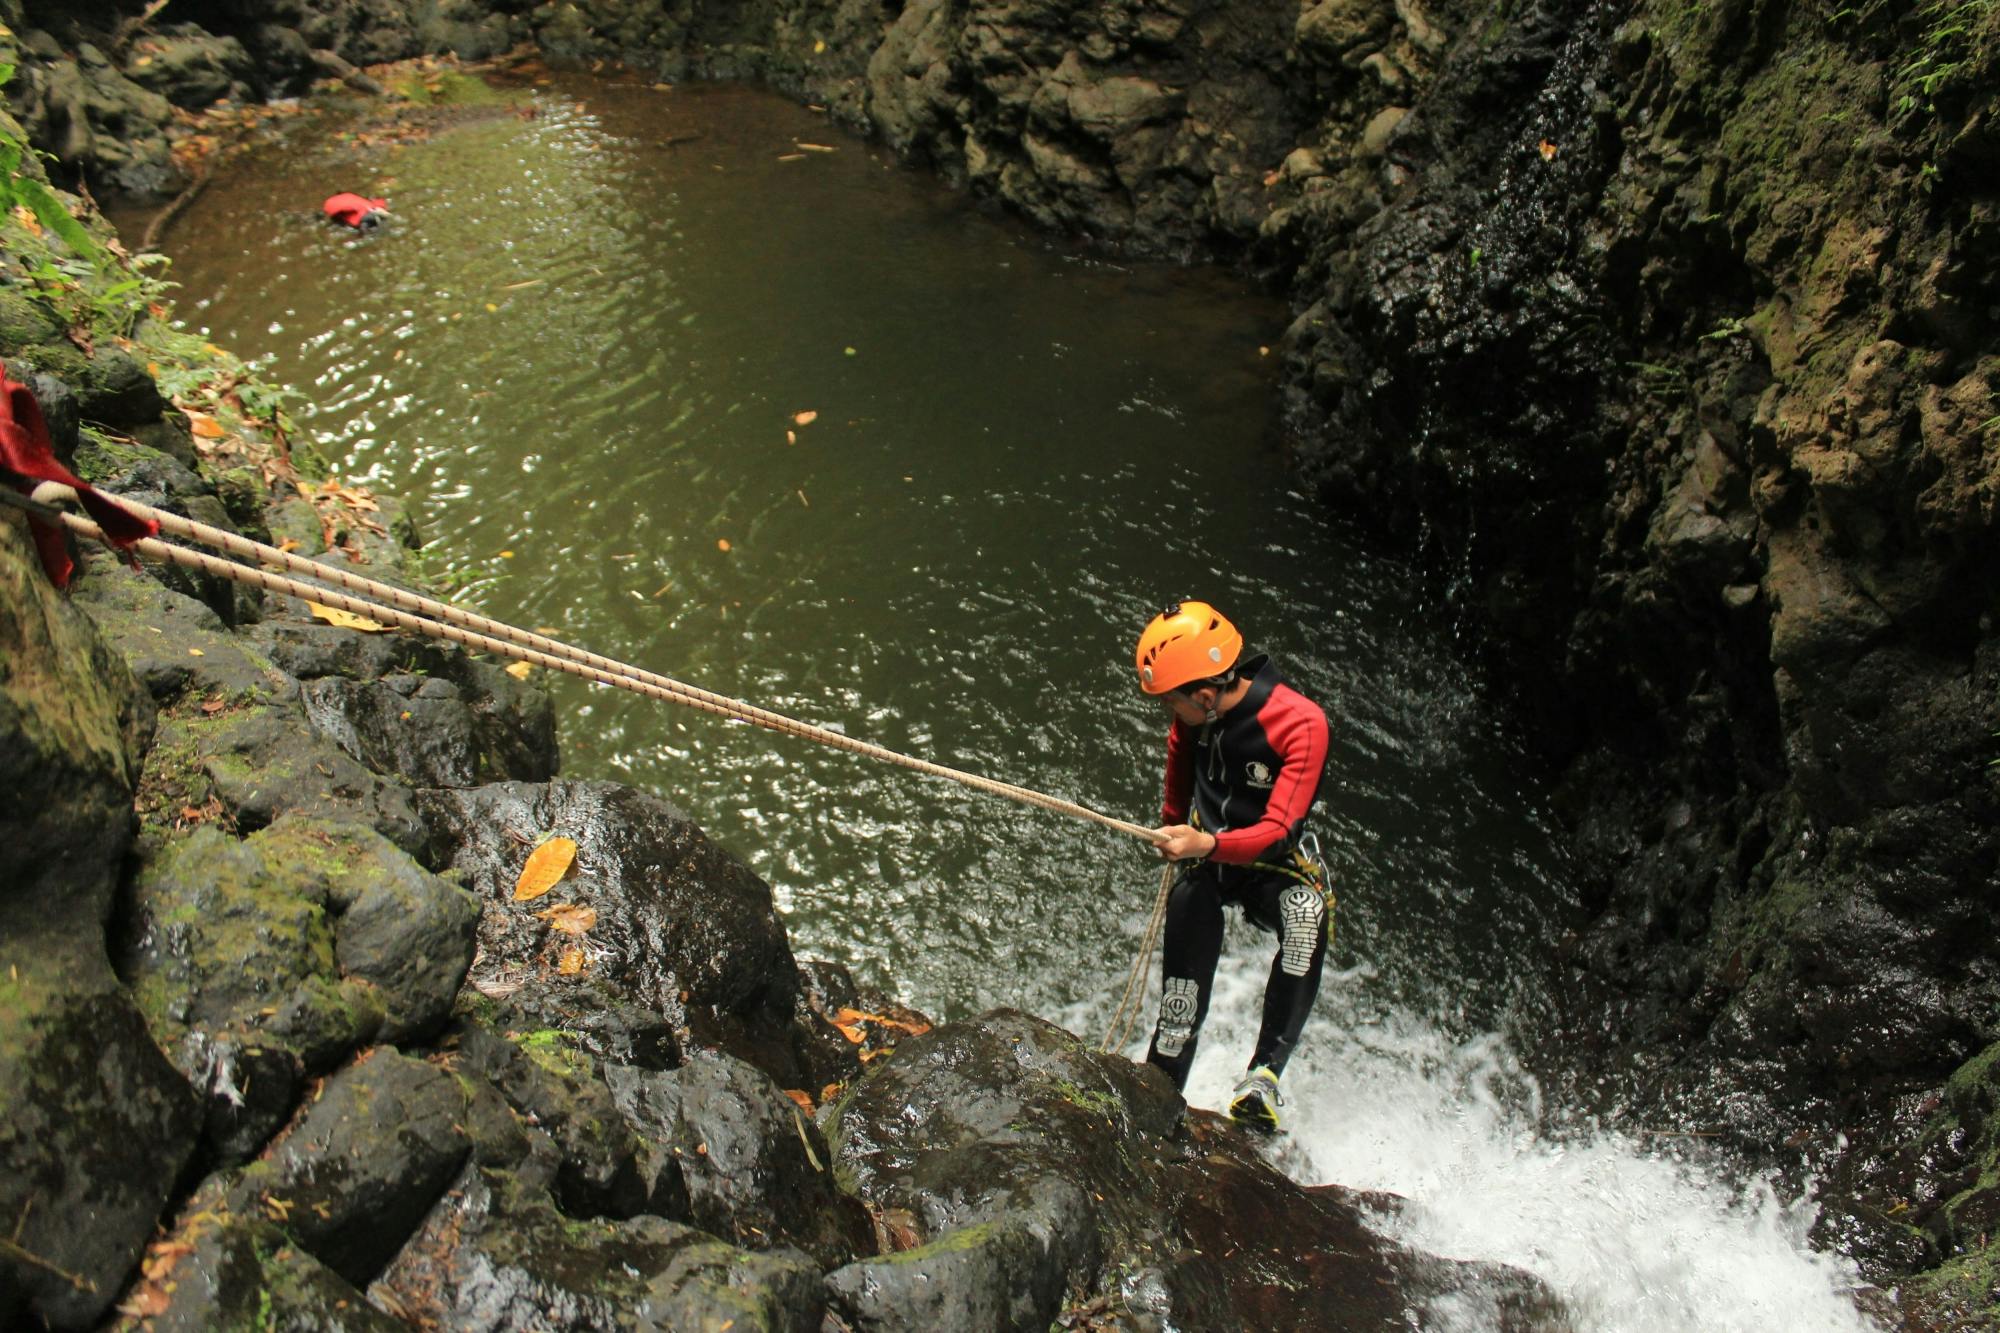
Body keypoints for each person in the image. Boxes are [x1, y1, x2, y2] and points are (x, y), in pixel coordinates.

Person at [1135, 600, 1331, 1132]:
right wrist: (1170, 823)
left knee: (1306, 914)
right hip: (1210, 851)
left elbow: (1276, 832)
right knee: (1189, 903)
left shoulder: (1301, 725)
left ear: (1205, 694)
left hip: (1272, 862)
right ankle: (1163, 1075)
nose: (1171, 714)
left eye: (1174, 702)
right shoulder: (1198, 714)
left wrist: (1201, 843)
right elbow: (1181, 758)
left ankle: (1264, 1076)